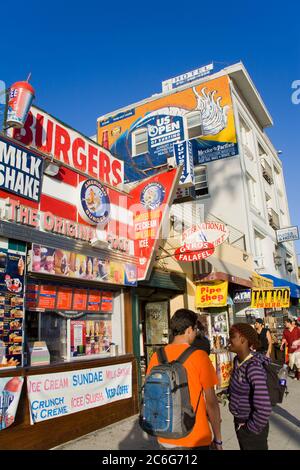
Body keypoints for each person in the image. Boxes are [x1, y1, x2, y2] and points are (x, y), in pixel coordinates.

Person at [147, 308, 222, 450]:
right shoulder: (199, 357)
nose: (195, 333)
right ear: (189, 330)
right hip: (196, 438)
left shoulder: (157, 356)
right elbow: (211, 403)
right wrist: (218, 439)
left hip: (165, 436)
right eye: (195, 329)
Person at [228, 323, 272, 450]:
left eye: (232, 336)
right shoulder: (238, 361)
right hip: (240, 422)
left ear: (243, 339)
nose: (229, 339)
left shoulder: (253, 368)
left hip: (252, 430)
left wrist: (249, 430)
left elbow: (264, 408)